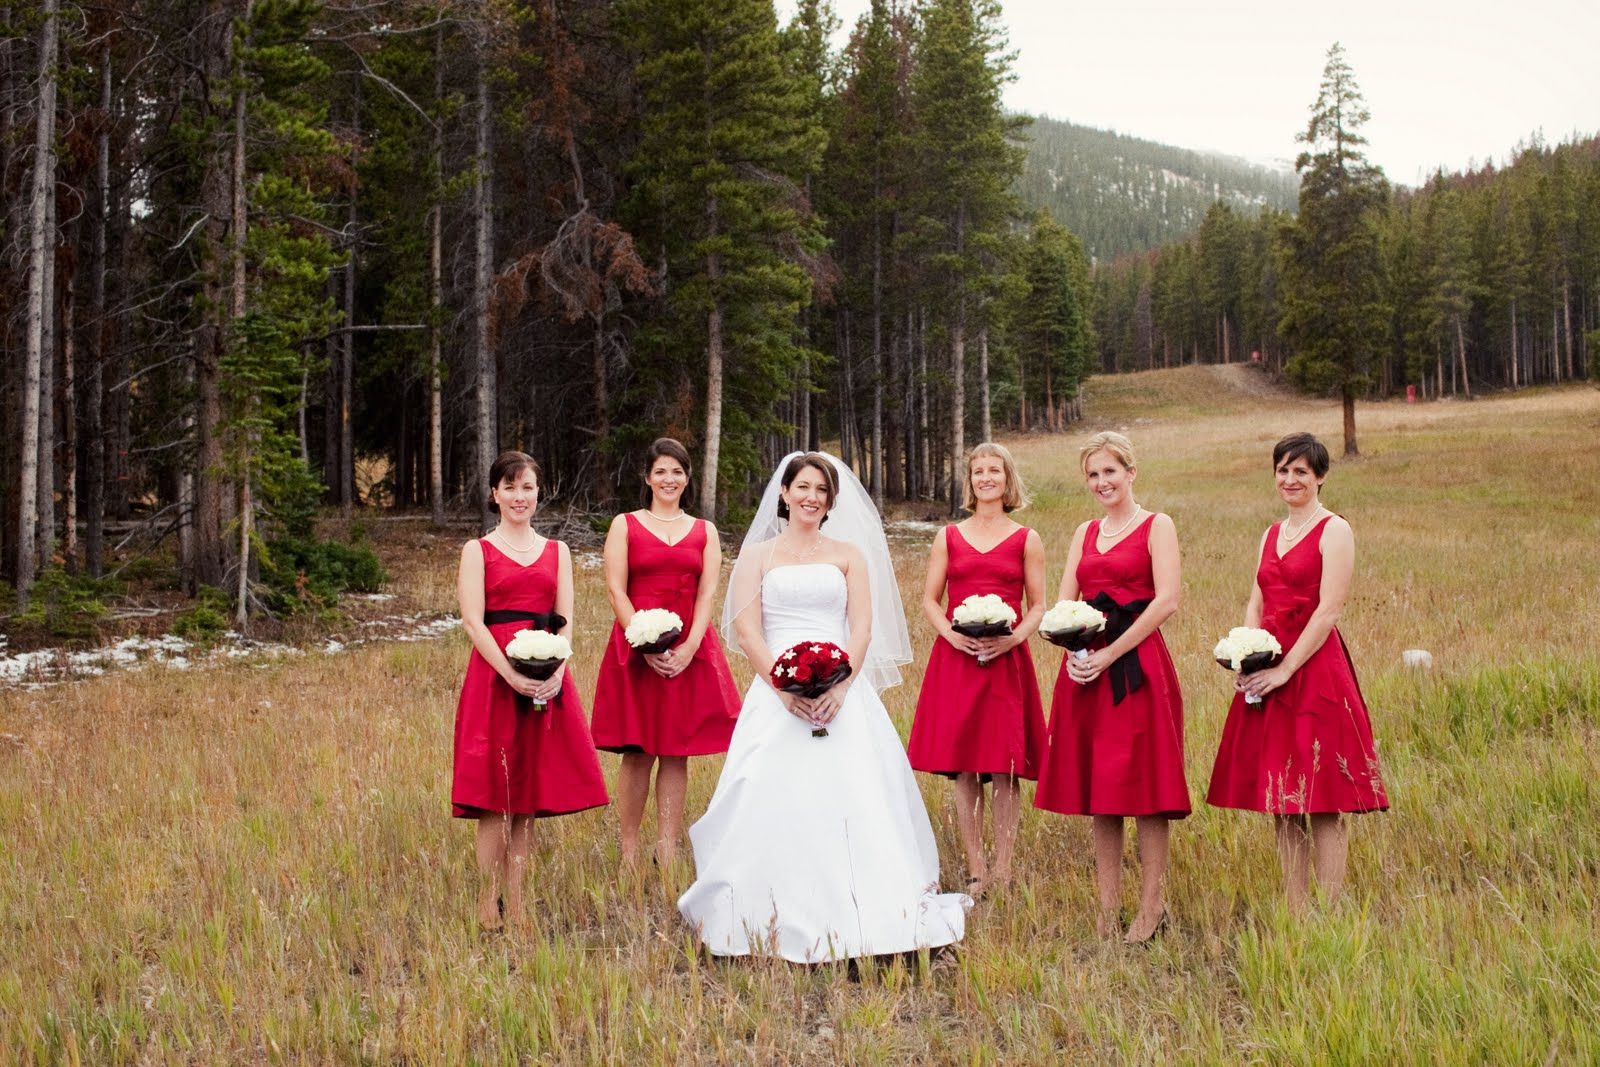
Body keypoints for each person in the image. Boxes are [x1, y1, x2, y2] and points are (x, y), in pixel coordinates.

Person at [677, 451, 970, 962]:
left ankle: (867, 908)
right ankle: (759, 907)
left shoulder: (848, 555)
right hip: (777, 693)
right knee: (766, 790)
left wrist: (840, 686)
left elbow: (860, 627)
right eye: (803, 487)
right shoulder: (758, 555)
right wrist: (782, 687)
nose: (811, 497)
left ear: (831, 501)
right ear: (784, 494)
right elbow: (747, 629)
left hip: (843, 693)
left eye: (821, 490)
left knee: (856, 795)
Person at [1206, 432, 1387, 913]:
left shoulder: (1335, 530)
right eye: (1283, 470)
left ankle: (1329, 910)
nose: (1290, 479)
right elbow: (1257, 599)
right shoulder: (1270, 534)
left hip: (1313, 671)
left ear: (1320, 477)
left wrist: (1286, 669)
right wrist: (1246, 655)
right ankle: (1295, 907)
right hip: (1267, 671)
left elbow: (1329, 610)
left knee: (1323, 797)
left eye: (1300, 471)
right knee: (1282, 796)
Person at [1033, 432, 1189, 943]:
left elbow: (1166, 600)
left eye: (1110, 472)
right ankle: (1106, 908)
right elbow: (1063, 603)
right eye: (1093, 475)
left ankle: (1152, 906)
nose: (1102, 482)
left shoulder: (1156, 525)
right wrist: (1075, 652)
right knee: (1101, 790)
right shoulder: (1084, 532)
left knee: (1144, 788)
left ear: (1131, 472)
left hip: (1135, 665)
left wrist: (1110, 655)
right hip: (1085, 667)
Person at [451, 451, 609, 930]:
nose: (520, 497)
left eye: (528, 488)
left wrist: (557, 668)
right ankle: (485, 903)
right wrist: (509, 674)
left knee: (527, 794)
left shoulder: (557, 552)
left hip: (545, 678)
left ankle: (517, 904)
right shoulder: (478, 550)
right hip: (495, 679)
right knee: (494, 793)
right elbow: (473, 622)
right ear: (494, 493)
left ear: (539, 493)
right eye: (510, 487)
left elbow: (566, 620)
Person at [591, 438, 741, 868]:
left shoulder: (704, 530)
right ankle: (630, 851)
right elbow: (616, 588)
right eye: (661, 471)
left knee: (676, 750)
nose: (669, 479)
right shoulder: (626, 524)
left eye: (677, 471)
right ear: (647, 477)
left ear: (687, 478)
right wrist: (641, 641)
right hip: (637, 649)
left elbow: (709, 591)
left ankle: (667, 849)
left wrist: (691, 645)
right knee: (639, 751)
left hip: (689, 648)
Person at [906, 443, 1047, 897]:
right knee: (964, 767)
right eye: (978, 471)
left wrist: (1013, 638)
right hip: (957, 659)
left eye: (995, 471)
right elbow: (930, 599)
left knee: (1004, 766)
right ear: (970, 480)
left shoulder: (1027, 538)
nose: (986, 478)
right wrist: (951, 635)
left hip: (1006, 662)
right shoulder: (948, 536)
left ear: (1008, 480)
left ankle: (1004, 869)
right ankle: (976, 867)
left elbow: (1039, 605)